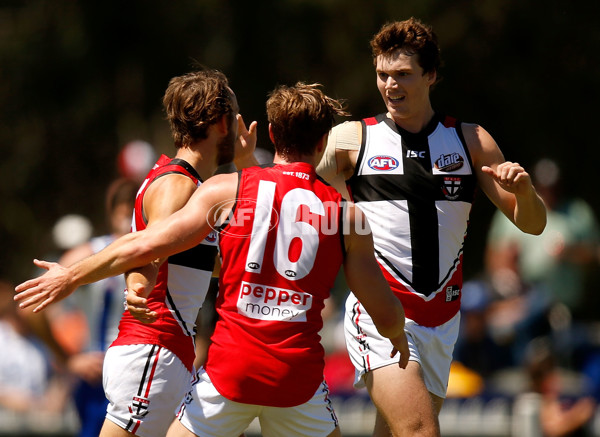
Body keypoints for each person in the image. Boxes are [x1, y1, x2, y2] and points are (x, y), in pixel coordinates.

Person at [15, 82, 410, 437]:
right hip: (274, 372)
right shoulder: (348, 215)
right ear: (323, 142)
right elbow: (383, 309)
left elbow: (155, 245)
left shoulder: (225, 189)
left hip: (227, 370)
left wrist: (76, 275)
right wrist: (396, 336)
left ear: (271, 134)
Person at [316, 17, 547, 436]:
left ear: (431, 75)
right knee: (421, 430)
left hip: (442, 321)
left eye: (402, 74)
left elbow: (532, 225)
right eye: (383, 75)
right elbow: (290, 183)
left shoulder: (470, 141)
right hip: (379, 311)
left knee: (393, 431)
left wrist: (527, 193)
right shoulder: (352, 139)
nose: (390, 85)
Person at [17, 68, 257, 437]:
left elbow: (206, 262)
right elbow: (146, 247)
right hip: (153, 351)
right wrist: (73, 277)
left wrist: (245, 168)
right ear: (222, 123)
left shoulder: (193, 187)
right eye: (236, 114)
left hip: (169, 353)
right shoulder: (177, 184)